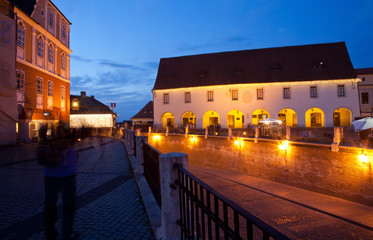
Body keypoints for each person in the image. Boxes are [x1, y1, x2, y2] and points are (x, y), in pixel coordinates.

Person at [43, 133, 79, 240]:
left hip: (49, 174)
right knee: (68, 204)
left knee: (50, 204)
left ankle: (50, 232)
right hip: (67, 173)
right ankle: (67, 233)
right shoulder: (66, 135)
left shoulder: (49, 135)